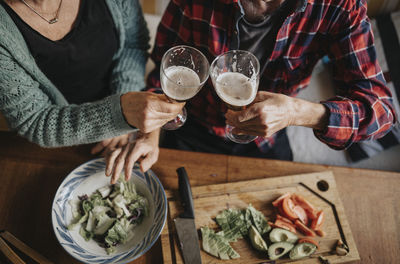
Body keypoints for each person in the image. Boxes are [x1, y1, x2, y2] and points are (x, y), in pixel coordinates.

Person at [108, 0, 397, 180]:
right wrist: (150, 134)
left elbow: (381, 113)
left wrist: (296, 112)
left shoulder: (339, 5)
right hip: (191, 128)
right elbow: (164, 65)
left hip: (266, 139)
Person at [0, 0, 184, 183]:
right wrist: (117, 116)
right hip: (58, 141)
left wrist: (125, 103)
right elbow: (35, 119)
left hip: (130, 117)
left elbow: (133, 45)